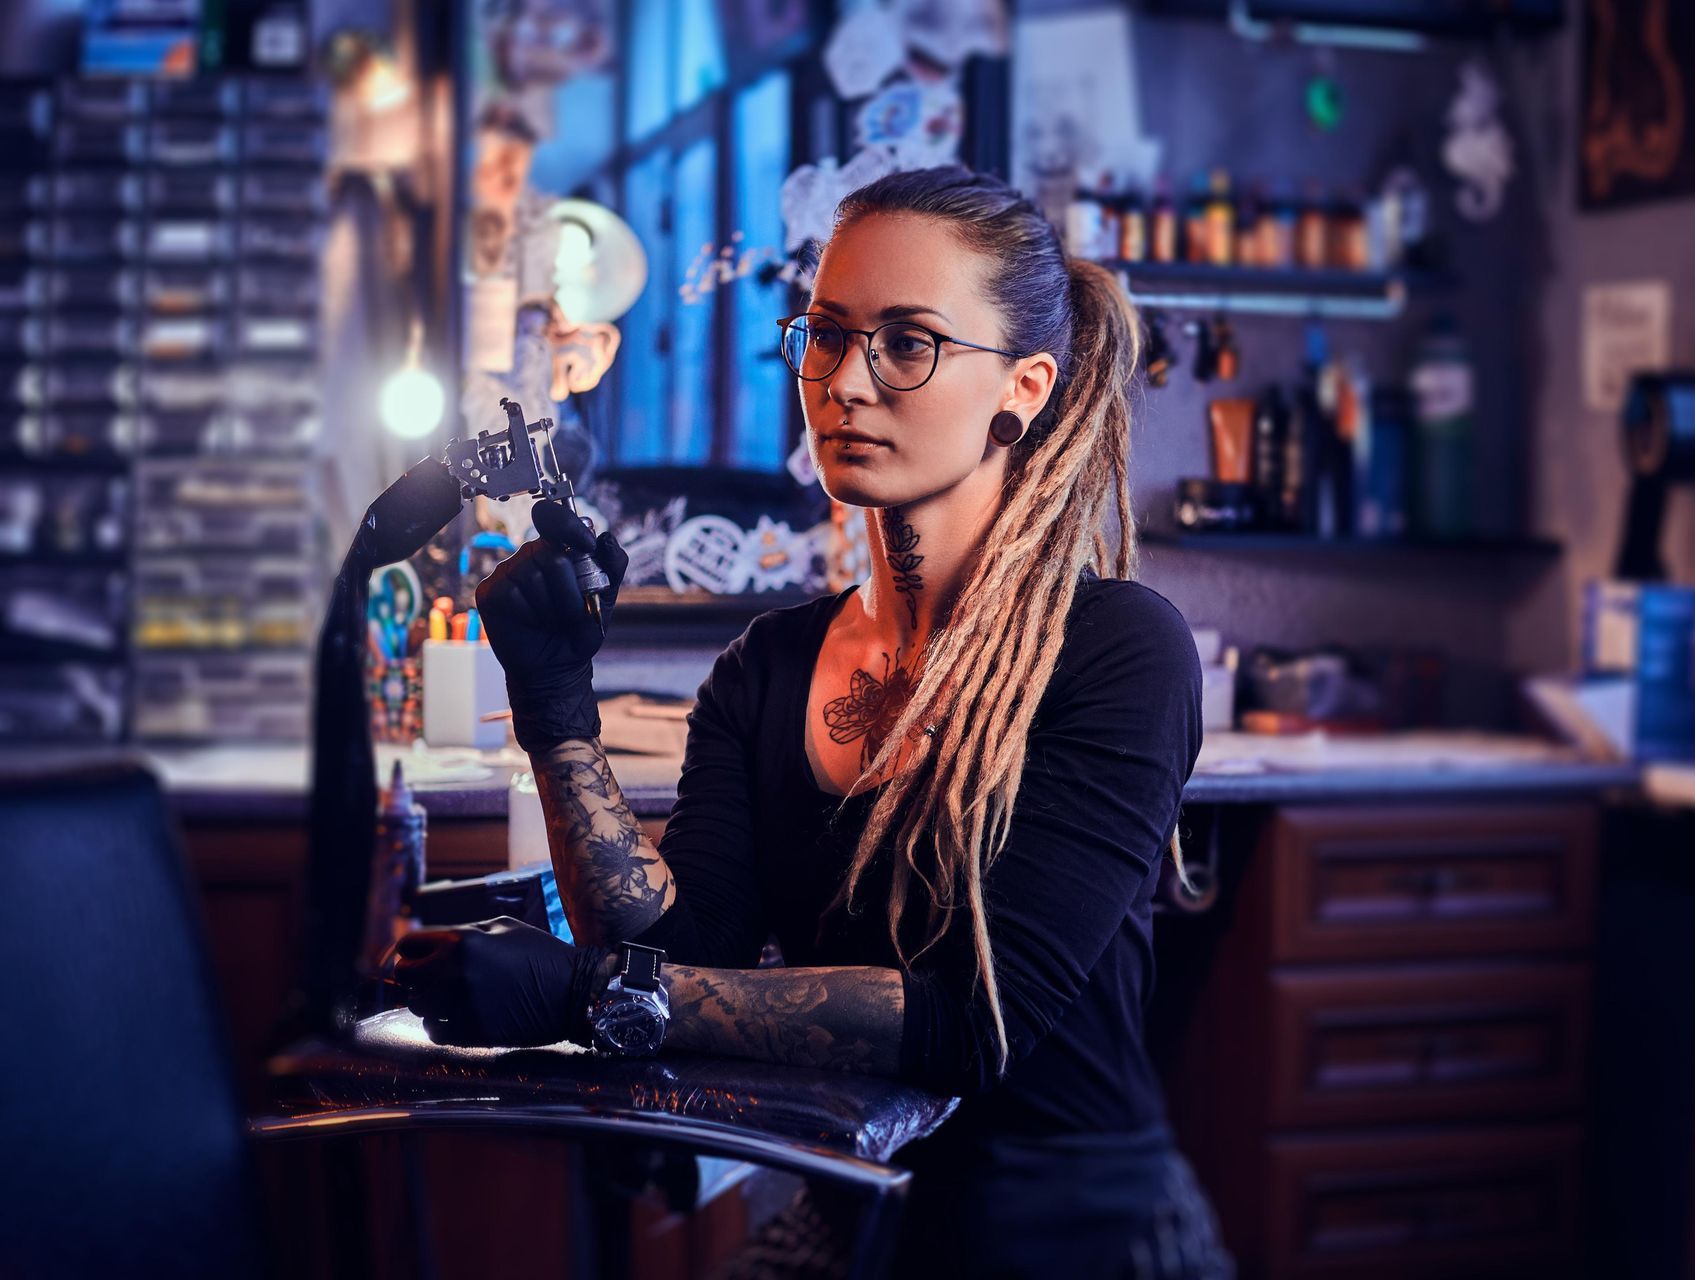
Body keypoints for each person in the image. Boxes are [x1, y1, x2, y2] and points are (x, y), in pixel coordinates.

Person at [388, 165, 1233, 1279]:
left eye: (909, 341)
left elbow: (974, 1022)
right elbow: (675, 954)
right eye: (827, 334)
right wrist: (555, 708)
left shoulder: (1116, 647)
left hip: (1077, 1233)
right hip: (852, 1216)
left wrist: (586, 995)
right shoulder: (767, 666)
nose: (846, 381)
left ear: (1021, 389)